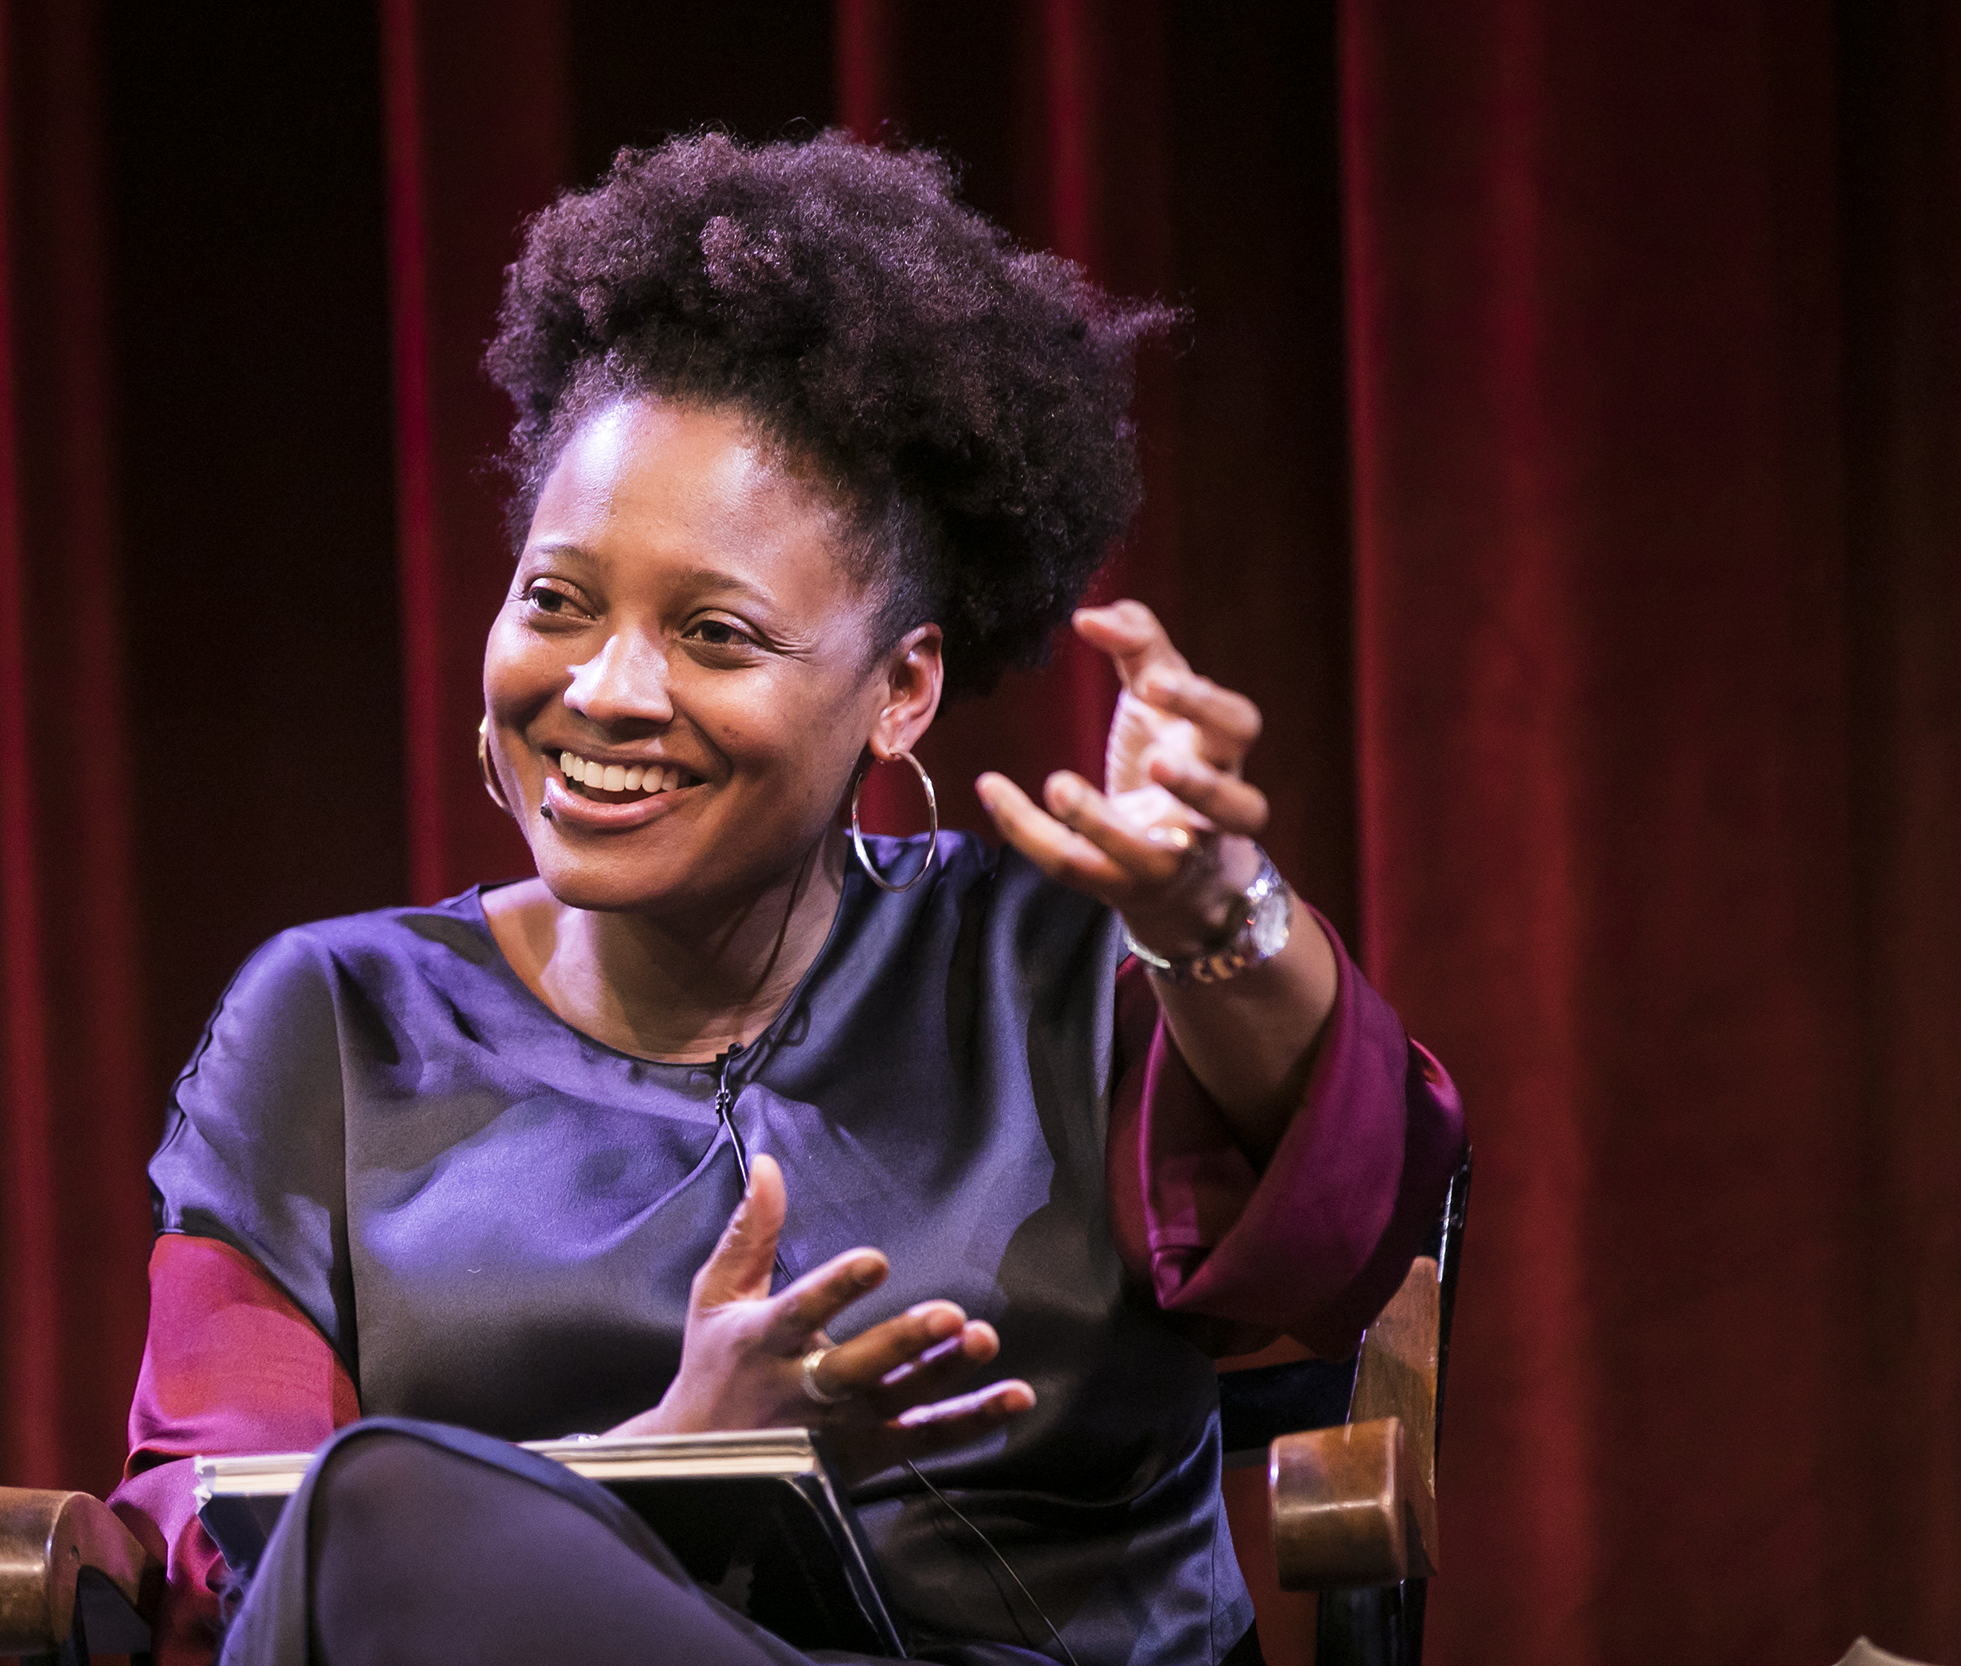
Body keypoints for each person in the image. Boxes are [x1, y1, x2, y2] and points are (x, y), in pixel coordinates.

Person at [107, 132, 1462, 1666]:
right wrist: (677, 1460)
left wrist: (1218, 905)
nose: (607, 690)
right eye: (557, 601)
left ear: (901, 689)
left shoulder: (1061, 963)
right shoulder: (333, 1024)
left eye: (715, 634)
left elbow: (1358, 1228)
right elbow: (234, 1540)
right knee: (381, 1518)